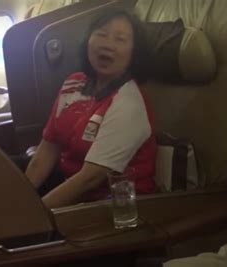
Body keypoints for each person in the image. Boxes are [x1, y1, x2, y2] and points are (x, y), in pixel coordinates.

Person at [24, 10, 156, 209]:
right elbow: (48, 149)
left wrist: (31, 216)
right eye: (101, 34)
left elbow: (90, 179)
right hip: (71, 185)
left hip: (112, 204)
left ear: (134, 53)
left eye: (120, 40)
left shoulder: (129, 102)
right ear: (88, 41)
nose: (107, 45)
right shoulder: (73, 84)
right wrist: (19, 203)